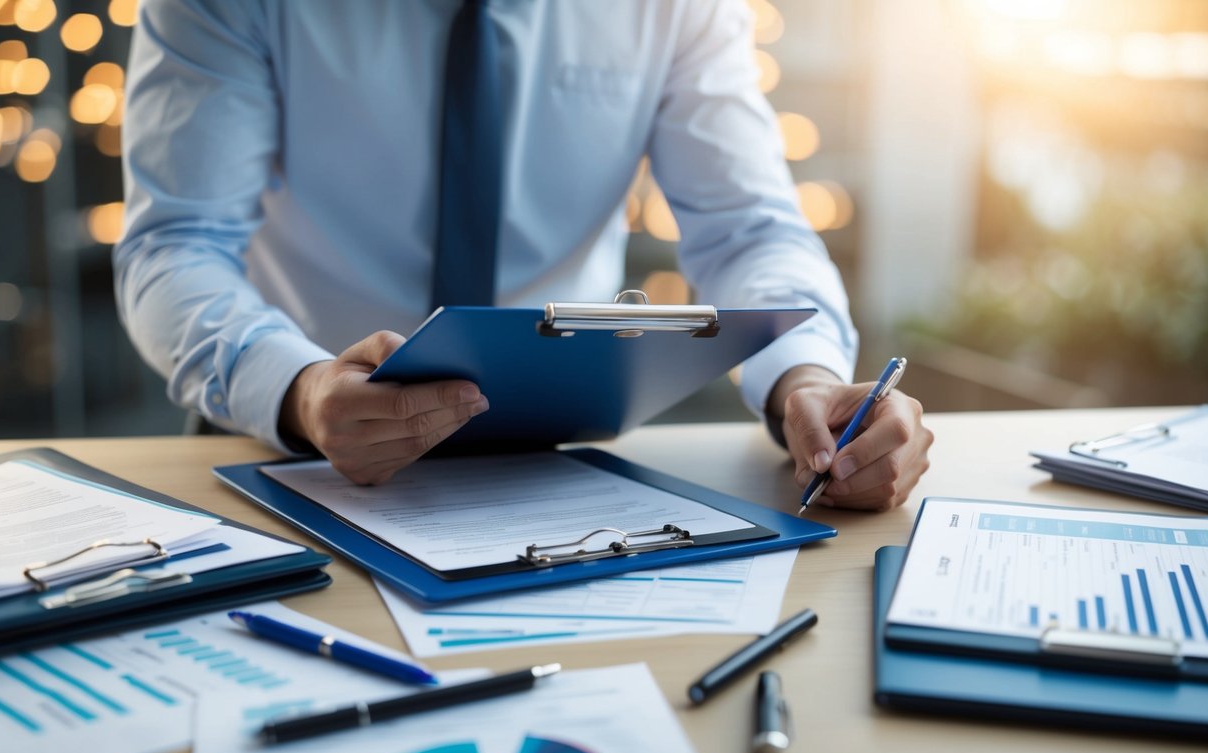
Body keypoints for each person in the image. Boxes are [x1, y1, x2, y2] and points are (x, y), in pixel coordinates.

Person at [114, 0, 932, 510]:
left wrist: (812, 385)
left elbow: (747, 227)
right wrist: (297, 390)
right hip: (288, 450)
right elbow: (174, 243)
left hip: (558, 474)